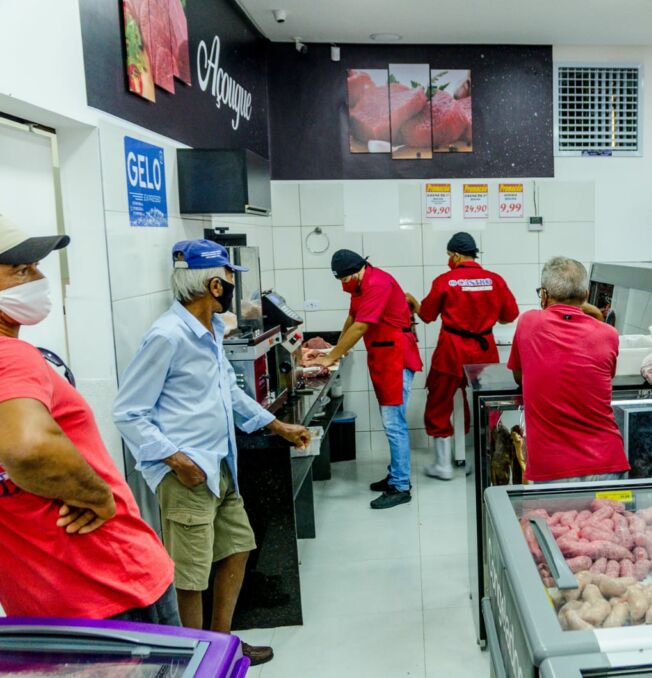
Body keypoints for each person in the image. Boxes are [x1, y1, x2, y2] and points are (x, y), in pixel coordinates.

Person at [113, 240, 311, 666]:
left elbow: (230, 394)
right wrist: (174, 459)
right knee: (191, 573)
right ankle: (195, 659)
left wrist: (278, 427)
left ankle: (220, 644)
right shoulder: (168, 336)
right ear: (215, 285)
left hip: (219, 464)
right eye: (230, 282)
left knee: (238, 546)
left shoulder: (210, 332)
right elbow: (128, 412)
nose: (235, 291)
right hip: (186, 473)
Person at [0, 215, 178, 624]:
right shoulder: (12, 356)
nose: (39, 279)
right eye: (21, 270)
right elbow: (28, 447)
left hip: (40, 598)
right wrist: (97, 496)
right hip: (110, 581)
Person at [313, 250, 423, 508]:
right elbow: (352, 318)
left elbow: (362, 326)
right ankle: (397, 475)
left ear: (357, 270)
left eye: (344, 279)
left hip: (396, 358)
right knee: (392, 422)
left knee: (394, 423)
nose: (343, 284)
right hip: (384, 358)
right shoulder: (360, 285)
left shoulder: (377, 283)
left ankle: (400, 486)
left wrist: (331, 358)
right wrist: (338, 348)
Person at [507, 257, 629, 483]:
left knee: (557, 521)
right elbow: (606, 377)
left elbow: (518, 375)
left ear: (543, 295)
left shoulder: (528, 323)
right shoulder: (608, 335)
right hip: (608, 465)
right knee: (613, 520)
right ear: (585, 296)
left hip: (554, 469)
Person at [414, 232, 518, 480]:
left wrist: (411, 301)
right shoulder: (495, 280)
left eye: (450, 256)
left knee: (439, 404)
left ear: (457, 255)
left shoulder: (445, 281)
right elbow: (509, 315)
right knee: (486, 405)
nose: (449, 260)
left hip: (451, 352)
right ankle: (487, 463)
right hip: (484, 352)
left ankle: (443, 465)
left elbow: (427, 315)